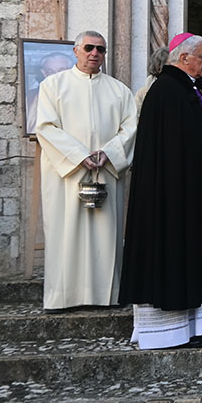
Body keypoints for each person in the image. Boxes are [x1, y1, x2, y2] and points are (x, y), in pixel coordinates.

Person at [119, 33, 202, 349]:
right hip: (175, 200)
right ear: (184, 58)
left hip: (197, 195)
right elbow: (179, 153)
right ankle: (173, 331)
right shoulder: (168, 93)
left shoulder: (189, 91)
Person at [35, 31, 137, 311]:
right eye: (89, 48)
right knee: (67, 232)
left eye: (101, 50)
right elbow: (45, 127)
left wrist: (109, 153)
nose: (95, 54)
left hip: (105, 171)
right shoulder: (53, 86)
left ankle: (107, 294)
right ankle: (64, 296)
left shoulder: (119, 90)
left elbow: (131, 129)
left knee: (106, 235)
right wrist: (79, 155)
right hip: (67, 175)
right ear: (76, 51)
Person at [25, 50, 74, 134]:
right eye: (51, 71)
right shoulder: (31, 97)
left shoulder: (81, 94)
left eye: (61, 70)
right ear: (44, 73)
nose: (56, 76)